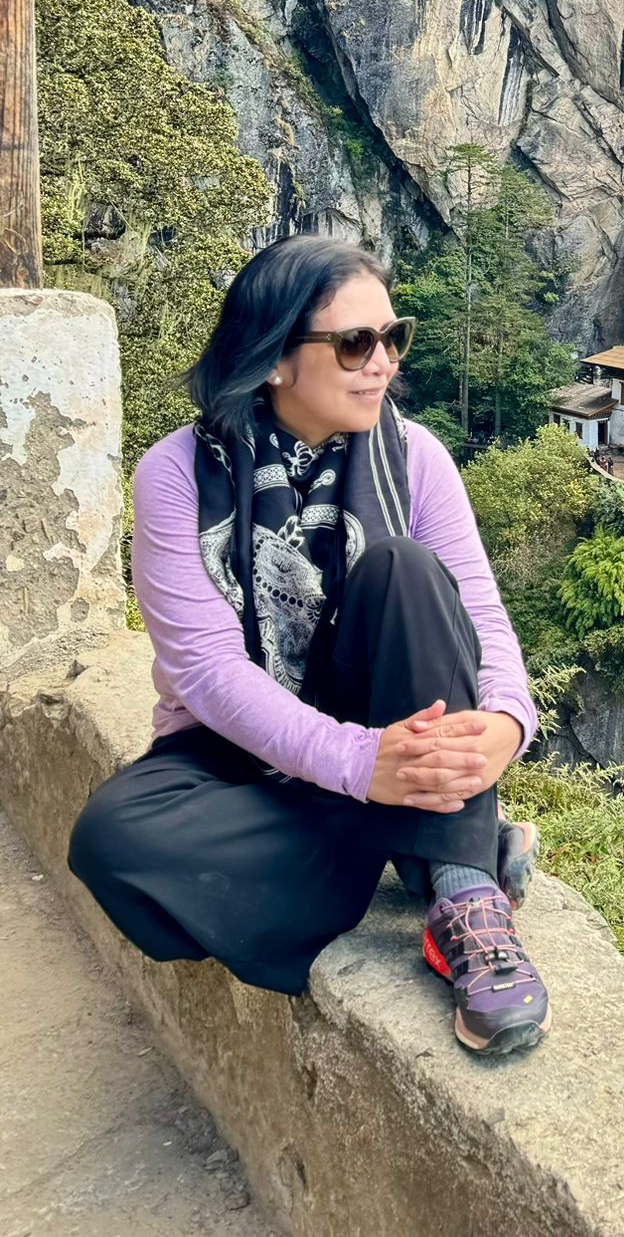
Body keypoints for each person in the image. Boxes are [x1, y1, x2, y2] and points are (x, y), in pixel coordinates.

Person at [66, 234, 551, 1058]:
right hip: (240, 750)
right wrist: (361, 765)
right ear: (277, 358)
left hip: (385, 708)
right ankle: (441, 842)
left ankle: (465, 894)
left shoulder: (415, 458)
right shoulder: (177, 474)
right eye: (356, 343)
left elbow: (480, 616)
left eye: (392, 338)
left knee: (406, 570)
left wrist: (507, 722)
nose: (383, 363)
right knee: (112, 841)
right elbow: (208, 675)